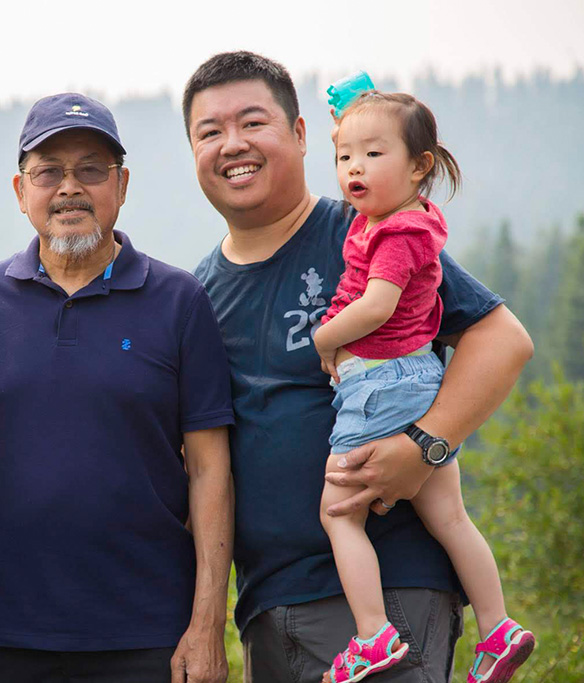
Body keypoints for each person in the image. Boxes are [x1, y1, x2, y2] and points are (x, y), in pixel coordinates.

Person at [183, 52, 534, 683]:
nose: (232, 144)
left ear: (299, 133)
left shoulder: (368, 228)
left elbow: (501, 341)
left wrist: (426, 446)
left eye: (253, 122)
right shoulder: (197, 293)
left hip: (391, 596)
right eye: (210, 132)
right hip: (267, 605)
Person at [0, 93, 235, 683]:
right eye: (48, 172)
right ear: (21, 192)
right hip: (4, 633)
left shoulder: (178, 301)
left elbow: (209, 469)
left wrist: (205, 624)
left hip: (152, 635)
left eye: (91, 169)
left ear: (121, 185)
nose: (69, 188)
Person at [314, 92, 534, 682]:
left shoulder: (395, 234)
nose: (354, 168)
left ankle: (373, 635)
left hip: (382, 386)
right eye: (343, 157)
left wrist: (325, 338)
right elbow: (379, 138)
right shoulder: (405, 221)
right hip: (415, 381)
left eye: (373, 154)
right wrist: (360, 119)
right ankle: (498, 627)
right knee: (452, 519)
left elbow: (378, 305)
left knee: (339, 513)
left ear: (420, 167)